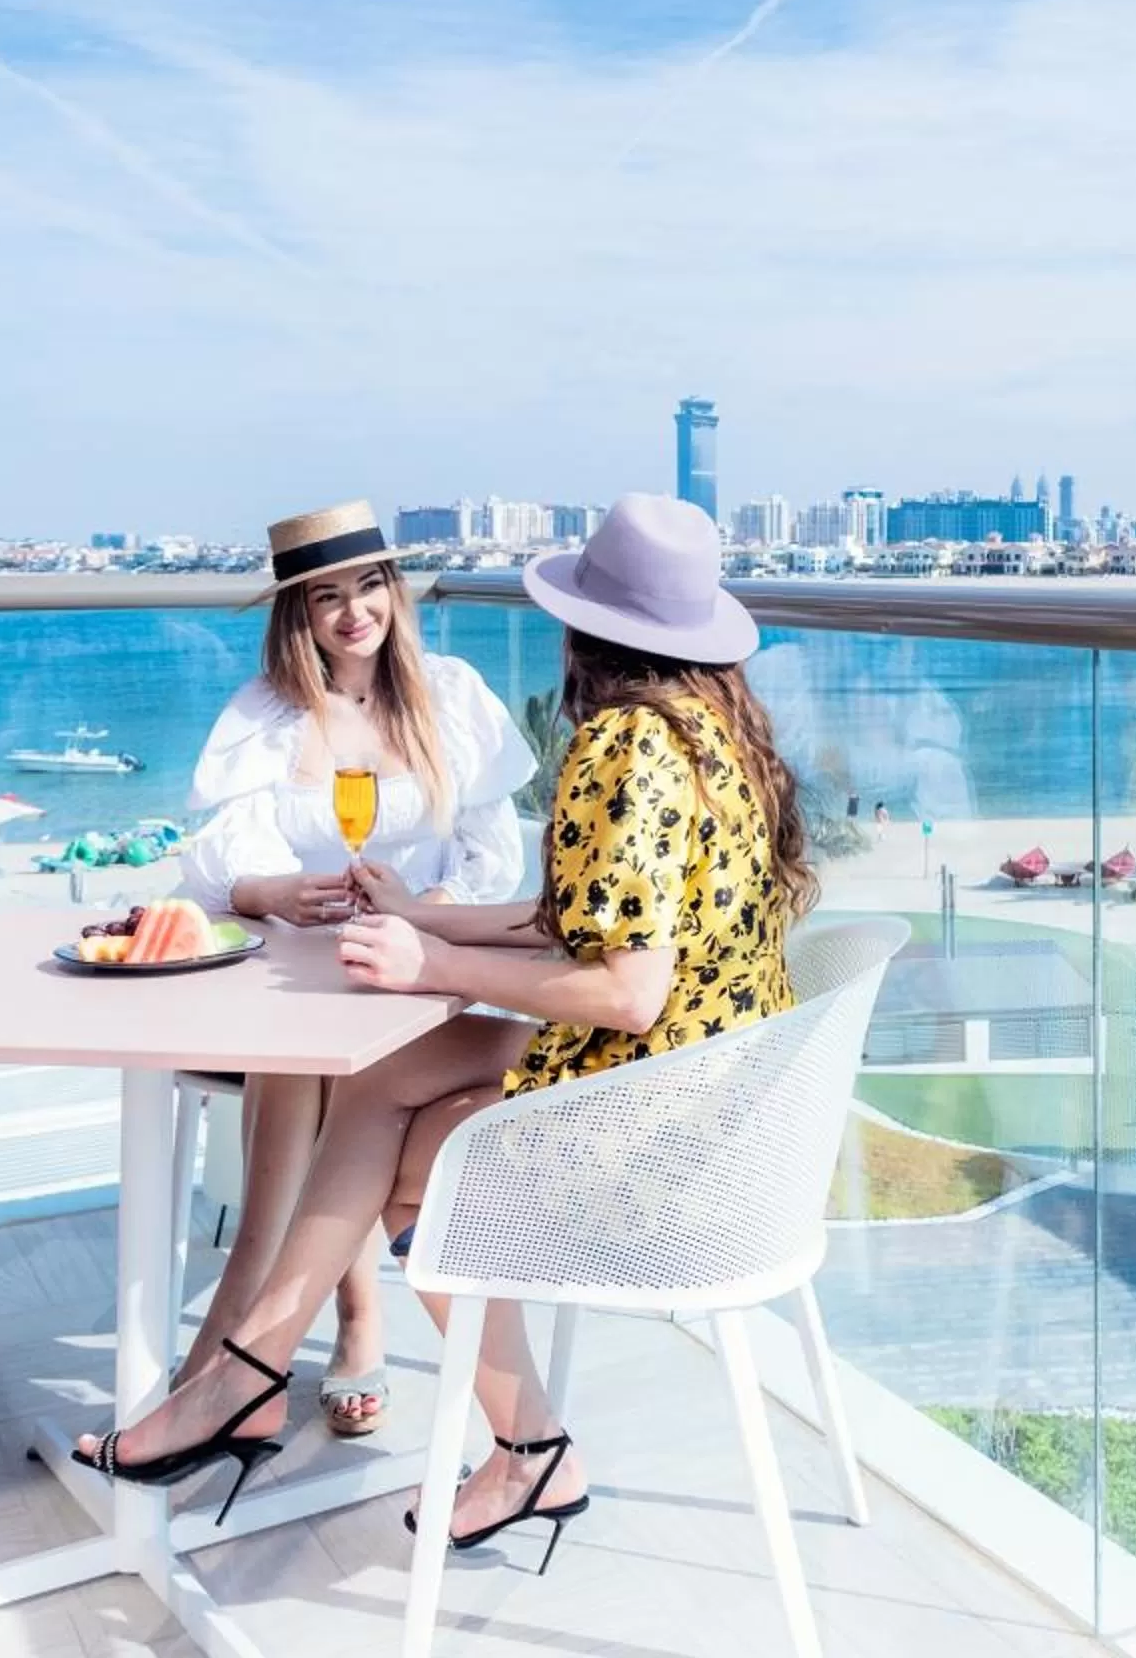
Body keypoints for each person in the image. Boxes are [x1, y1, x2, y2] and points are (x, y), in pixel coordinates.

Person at [77, 493, 814, 1566]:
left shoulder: (623, 748)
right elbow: (581, 913)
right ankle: (270, 1374)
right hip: (730, 1082)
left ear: (585, 628)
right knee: (384, 1090)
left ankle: (346, 1401)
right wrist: (422, 914)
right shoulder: (714, 729)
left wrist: (436, 962)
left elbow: (628, 990)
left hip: (663, 1112)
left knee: (422, 1164)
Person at [172, 499, 533, 1437]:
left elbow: (494, 859)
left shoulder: (449, 696)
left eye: (368, 586)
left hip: (430, 971)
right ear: (298, 615)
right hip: (301, 971)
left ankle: (241, 1344)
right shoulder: (267, 715)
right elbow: (215, 866)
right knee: (312, 1056)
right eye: (325, 596)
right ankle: (339, 1317)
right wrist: (274, 896)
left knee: (334, 1069)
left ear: (395, 593)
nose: (352, 612)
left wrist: (431, 921)